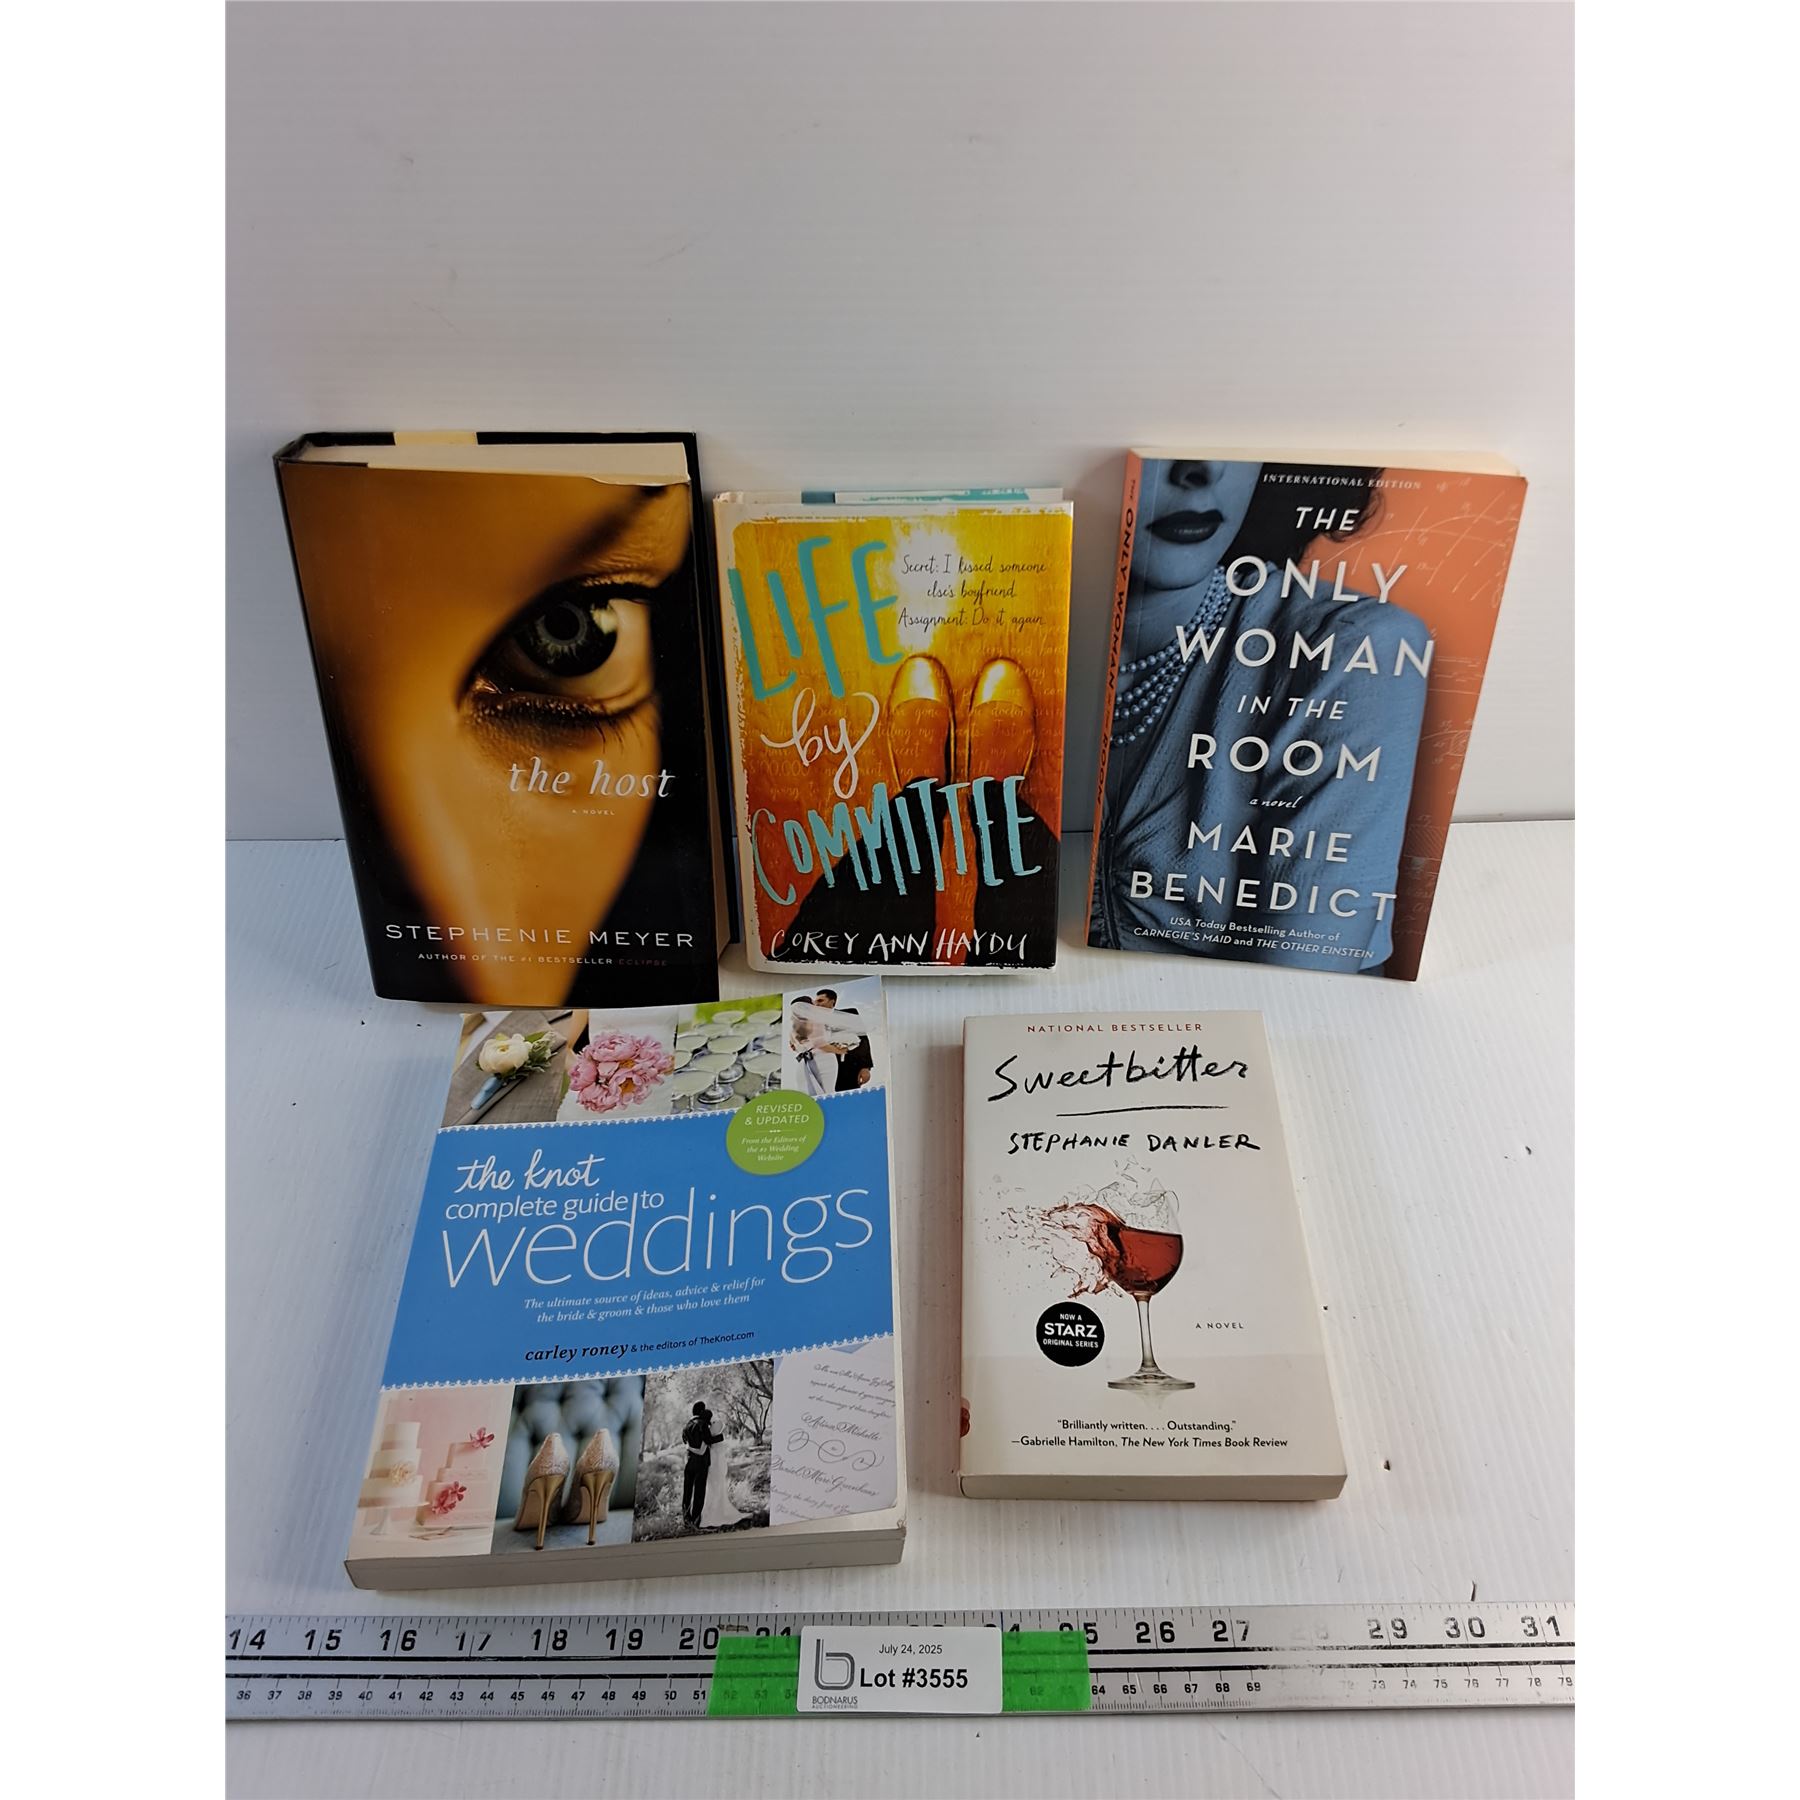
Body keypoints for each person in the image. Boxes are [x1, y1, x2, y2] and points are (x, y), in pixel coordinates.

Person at [1089, 459, 1431, 974]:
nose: (1201, 469)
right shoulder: (1013, 629)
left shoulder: (1352, 648)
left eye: (1231, 437)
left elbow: (1297, 995)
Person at [680, 1402, 722, 1526]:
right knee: (699, 1492)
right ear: (701, 1411)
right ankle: (696, 1520)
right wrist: (720, 1437)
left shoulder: (686, 1426)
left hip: (689, 1463)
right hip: (701, 1463)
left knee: (687, 1492)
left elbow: (685, 1443)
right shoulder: (702, 1424)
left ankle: (686, 1519)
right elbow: (708, 1440)